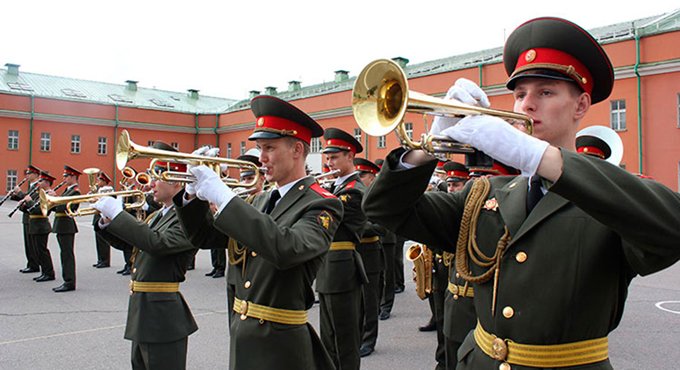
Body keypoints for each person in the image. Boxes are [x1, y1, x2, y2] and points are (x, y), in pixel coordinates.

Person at [363, 16, 680, 370]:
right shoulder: (484, 193)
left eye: (545, 92)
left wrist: (539, 156)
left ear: (580, 105)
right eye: (519, 94)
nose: (526, 105)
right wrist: (429, 147)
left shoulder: (608, 197)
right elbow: (383, 210)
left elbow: (671, 229)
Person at [175, 95, 342, 369]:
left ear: (297, 150)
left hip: (281, 344)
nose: (261, 158)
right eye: (260, 148)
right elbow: (205, 237)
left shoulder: (322, 203)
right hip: (244, 335)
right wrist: (191, 197)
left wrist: (223, 196)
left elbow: (287, 248)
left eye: (269, 148)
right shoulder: (260, 200)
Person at [92, 142, 198, 370]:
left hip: (162, 317)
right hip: (143, 313)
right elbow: (135, 245)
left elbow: (156, 243)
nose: (151, 184)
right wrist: (106, 222)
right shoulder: (159, 215)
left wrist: (120, 215)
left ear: (177, 180)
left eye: (157, 177)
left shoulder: (188, 219)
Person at [316, 127, 369, 369]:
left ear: (350, 156)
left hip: (342, 269)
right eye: (327, 157)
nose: (329, 163)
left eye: (335, 157)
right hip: (328, 269)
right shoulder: (335, 189)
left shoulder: (354, 190)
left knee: (344, 341)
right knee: (328, 340)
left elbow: (328, 213)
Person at [353, 157, 386, 358]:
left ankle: (369, 340)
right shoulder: (353, 193)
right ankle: (357, 337)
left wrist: (355, 226)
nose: (359, 179)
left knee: (370, 300)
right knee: (356, 301)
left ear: (372, 177)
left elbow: (382, 227)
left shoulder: (377, 198)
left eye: (363, 175)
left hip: (370, 251)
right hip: (354, 252)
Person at [50, 165, 81, 292]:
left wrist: (55, 199)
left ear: (73, 177)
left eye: (67, 176)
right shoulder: (67, 190)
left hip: (67, 226)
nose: (64, 179)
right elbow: (55, 208)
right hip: (61, 226)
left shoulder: (76, 191)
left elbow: (67, 208)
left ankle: (69, 282)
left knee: (67, 255)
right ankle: (66, 280)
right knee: (64, 254)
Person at [21, 171, 55, 282]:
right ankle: (44, 272)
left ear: (47, 183)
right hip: (35, 225)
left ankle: (49, 273)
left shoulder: (48, 195)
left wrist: (29, 202)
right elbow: (29, 210)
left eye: (41, 181)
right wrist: (23, 204)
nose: (39, 182)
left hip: (41, 225)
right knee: (37, 250)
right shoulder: (39, 193)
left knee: (42, 250)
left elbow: (40, 211)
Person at [11, 165, 43, 273]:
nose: (27, 176)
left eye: (29, 174)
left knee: (32, 243)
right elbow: (26, 198)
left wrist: (20, 193)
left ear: (35, 175)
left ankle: (34, 264)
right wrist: (14, 195)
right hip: (27, 217)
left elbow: (31, 200)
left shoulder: (38, 186)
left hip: (32, 218)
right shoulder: (32, 186)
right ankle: (31, 263)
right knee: (28, 243)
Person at [92, 171, 114, 269]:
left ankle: (105, 261)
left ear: (104, 181)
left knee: (103, 241)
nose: (97, 181)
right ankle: (100, 259)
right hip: (97, 217)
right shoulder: (98, 189)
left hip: (103, 216)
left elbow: (105, 201)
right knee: (98, 241)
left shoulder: (107, 190)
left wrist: (95, 198)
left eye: (99, 180)